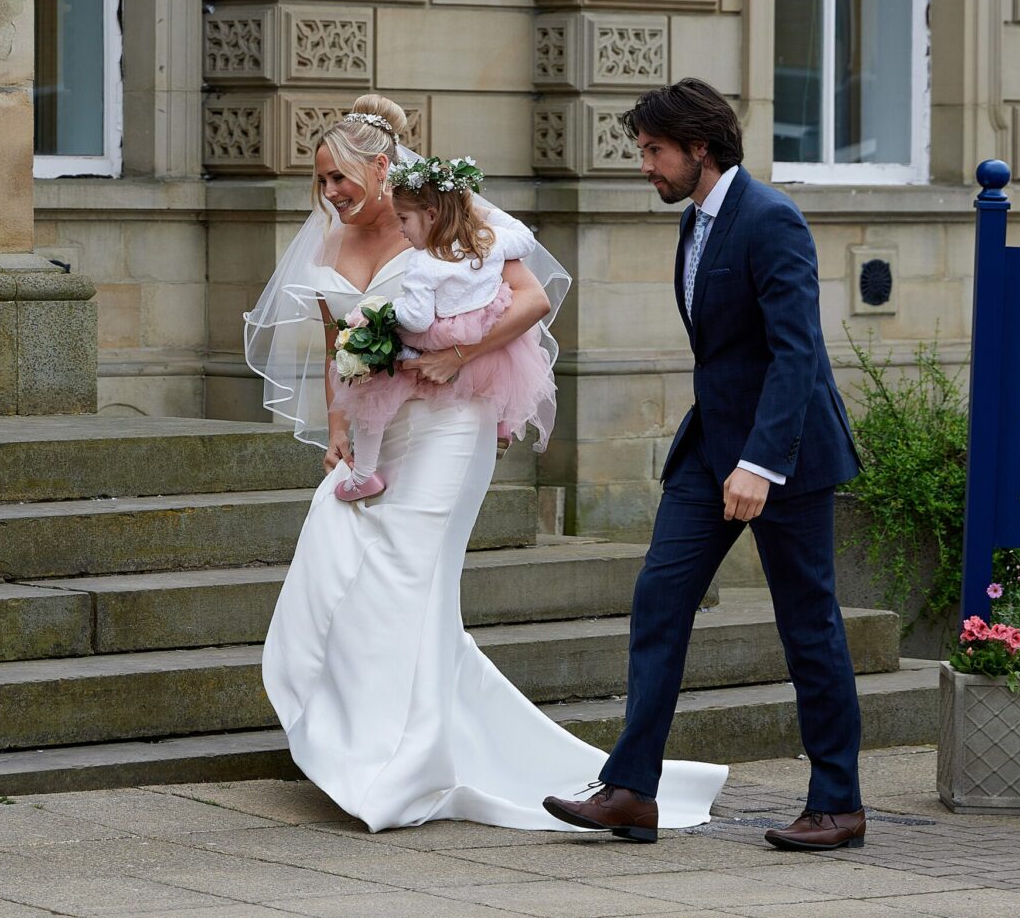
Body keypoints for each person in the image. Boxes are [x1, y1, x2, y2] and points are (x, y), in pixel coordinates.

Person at [242, 93, 727, 834]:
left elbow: (531, 299)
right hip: (378, 427)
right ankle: (372, 739)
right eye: (322, 183)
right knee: (340, 551)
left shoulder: (443, 215)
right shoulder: (329, 245)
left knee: (411, 573)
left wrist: (459, 355)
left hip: (449, 424)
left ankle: (406, 763)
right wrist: (337, 424)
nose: (331, 194)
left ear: (381, 167)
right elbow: (338, 341)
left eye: (340, 179)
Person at [541, 78, 867, 850]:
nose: (645, 165)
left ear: (699, 147)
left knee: (807, 625)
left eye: (653, 150)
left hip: (781, 455)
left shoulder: (771, 219)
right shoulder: (696, 220)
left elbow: (797, 355)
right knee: (659, 600)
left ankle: (838, 803)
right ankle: (631, 790)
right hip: (709, 450)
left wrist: (760, 463)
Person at [326, 153, 557, 502]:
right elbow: (525, 239)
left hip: (440, 336)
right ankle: (503, 424)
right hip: (485, 325)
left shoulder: (424, 261)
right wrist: (484, 219)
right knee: (500, 369)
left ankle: (364, 474)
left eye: (404, 218)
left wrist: (386, 310)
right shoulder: (485, 240)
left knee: (374, 385)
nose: (401, 228)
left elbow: (418, 318)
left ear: (430, 215)